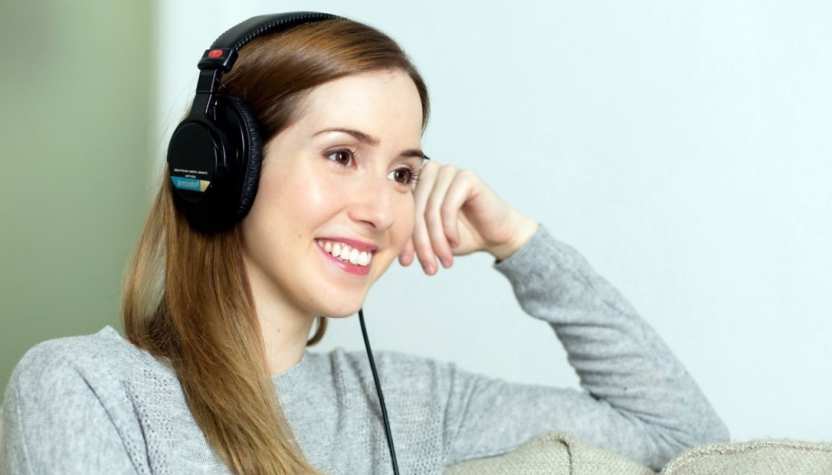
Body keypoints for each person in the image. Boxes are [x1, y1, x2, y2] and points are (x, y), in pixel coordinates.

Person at [0, 14, 729, 475]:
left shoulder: (414, 404)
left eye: (403, 173)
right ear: (224, 168)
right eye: (342, 155)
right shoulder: (88, 388)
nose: (382, 211)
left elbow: (684, 439)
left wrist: (519, 242)